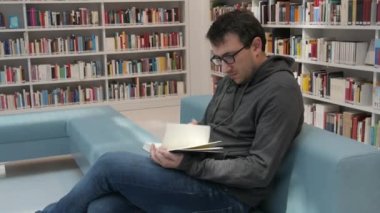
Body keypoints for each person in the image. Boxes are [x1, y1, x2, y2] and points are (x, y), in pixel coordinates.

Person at [37, 10, 304, 213]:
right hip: (203, 175)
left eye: (229, 57)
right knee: (102, 208)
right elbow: (216, 128)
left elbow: (258, 171)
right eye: (218, 58)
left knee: (109, 164)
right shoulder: (232, 79)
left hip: (230, 196)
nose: (224, 67)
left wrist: (189, 163)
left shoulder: (280, 91)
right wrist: (189, 138)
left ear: (256, 46)